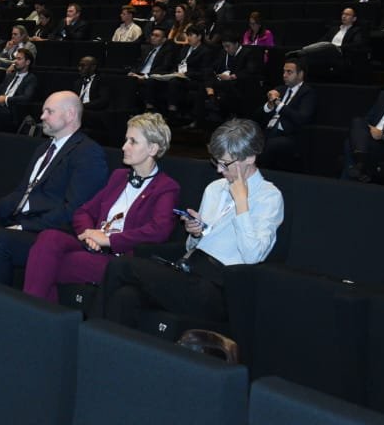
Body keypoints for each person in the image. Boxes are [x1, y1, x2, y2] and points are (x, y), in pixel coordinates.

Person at [102, 119, 284, 329]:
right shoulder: (215, 188)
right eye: (216, 162)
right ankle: (106, 354)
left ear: (250, 157)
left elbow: (253, 255)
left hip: (219, 286)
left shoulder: (269, 197)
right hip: (188, 270)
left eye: (225, 163)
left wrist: (242, 205)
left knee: (120, 265)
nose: (219, 170)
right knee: (126, 297)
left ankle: (84, 340)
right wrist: (195, 232)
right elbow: (192, 246)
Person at [0, 92, 108, 286]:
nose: (42, 116)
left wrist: (22, 227)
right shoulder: (44, 149)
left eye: (49, 111)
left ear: (70, 114)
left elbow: (73, 211)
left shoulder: (88, 153)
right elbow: (21, 194)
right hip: (20, 225)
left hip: (47, 233)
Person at [22, 113, 181, 302]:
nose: (124, 147)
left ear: (153, 149)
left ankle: (32, 312)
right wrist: (91, 235)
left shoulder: (166, 187)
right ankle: (38, 314)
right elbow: (83, 211)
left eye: (133, 142)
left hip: (119, 259)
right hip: (92, 245)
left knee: (47, 264)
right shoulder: (119, 176)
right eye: (125, 140)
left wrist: (109, 240)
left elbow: (158, 231)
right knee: (49, 237)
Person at [259, 58, 315, 170]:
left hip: (289, 134)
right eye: (284, 71)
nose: (284, 75)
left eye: (289, 72)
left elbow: (301, 118)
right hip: (267, 130)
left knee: (269, 144)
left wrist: (278, 104)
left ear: (300, 74)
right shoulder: (279, 89)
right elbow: (258, 116)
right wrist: (269, 105)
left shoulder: (307, 93)